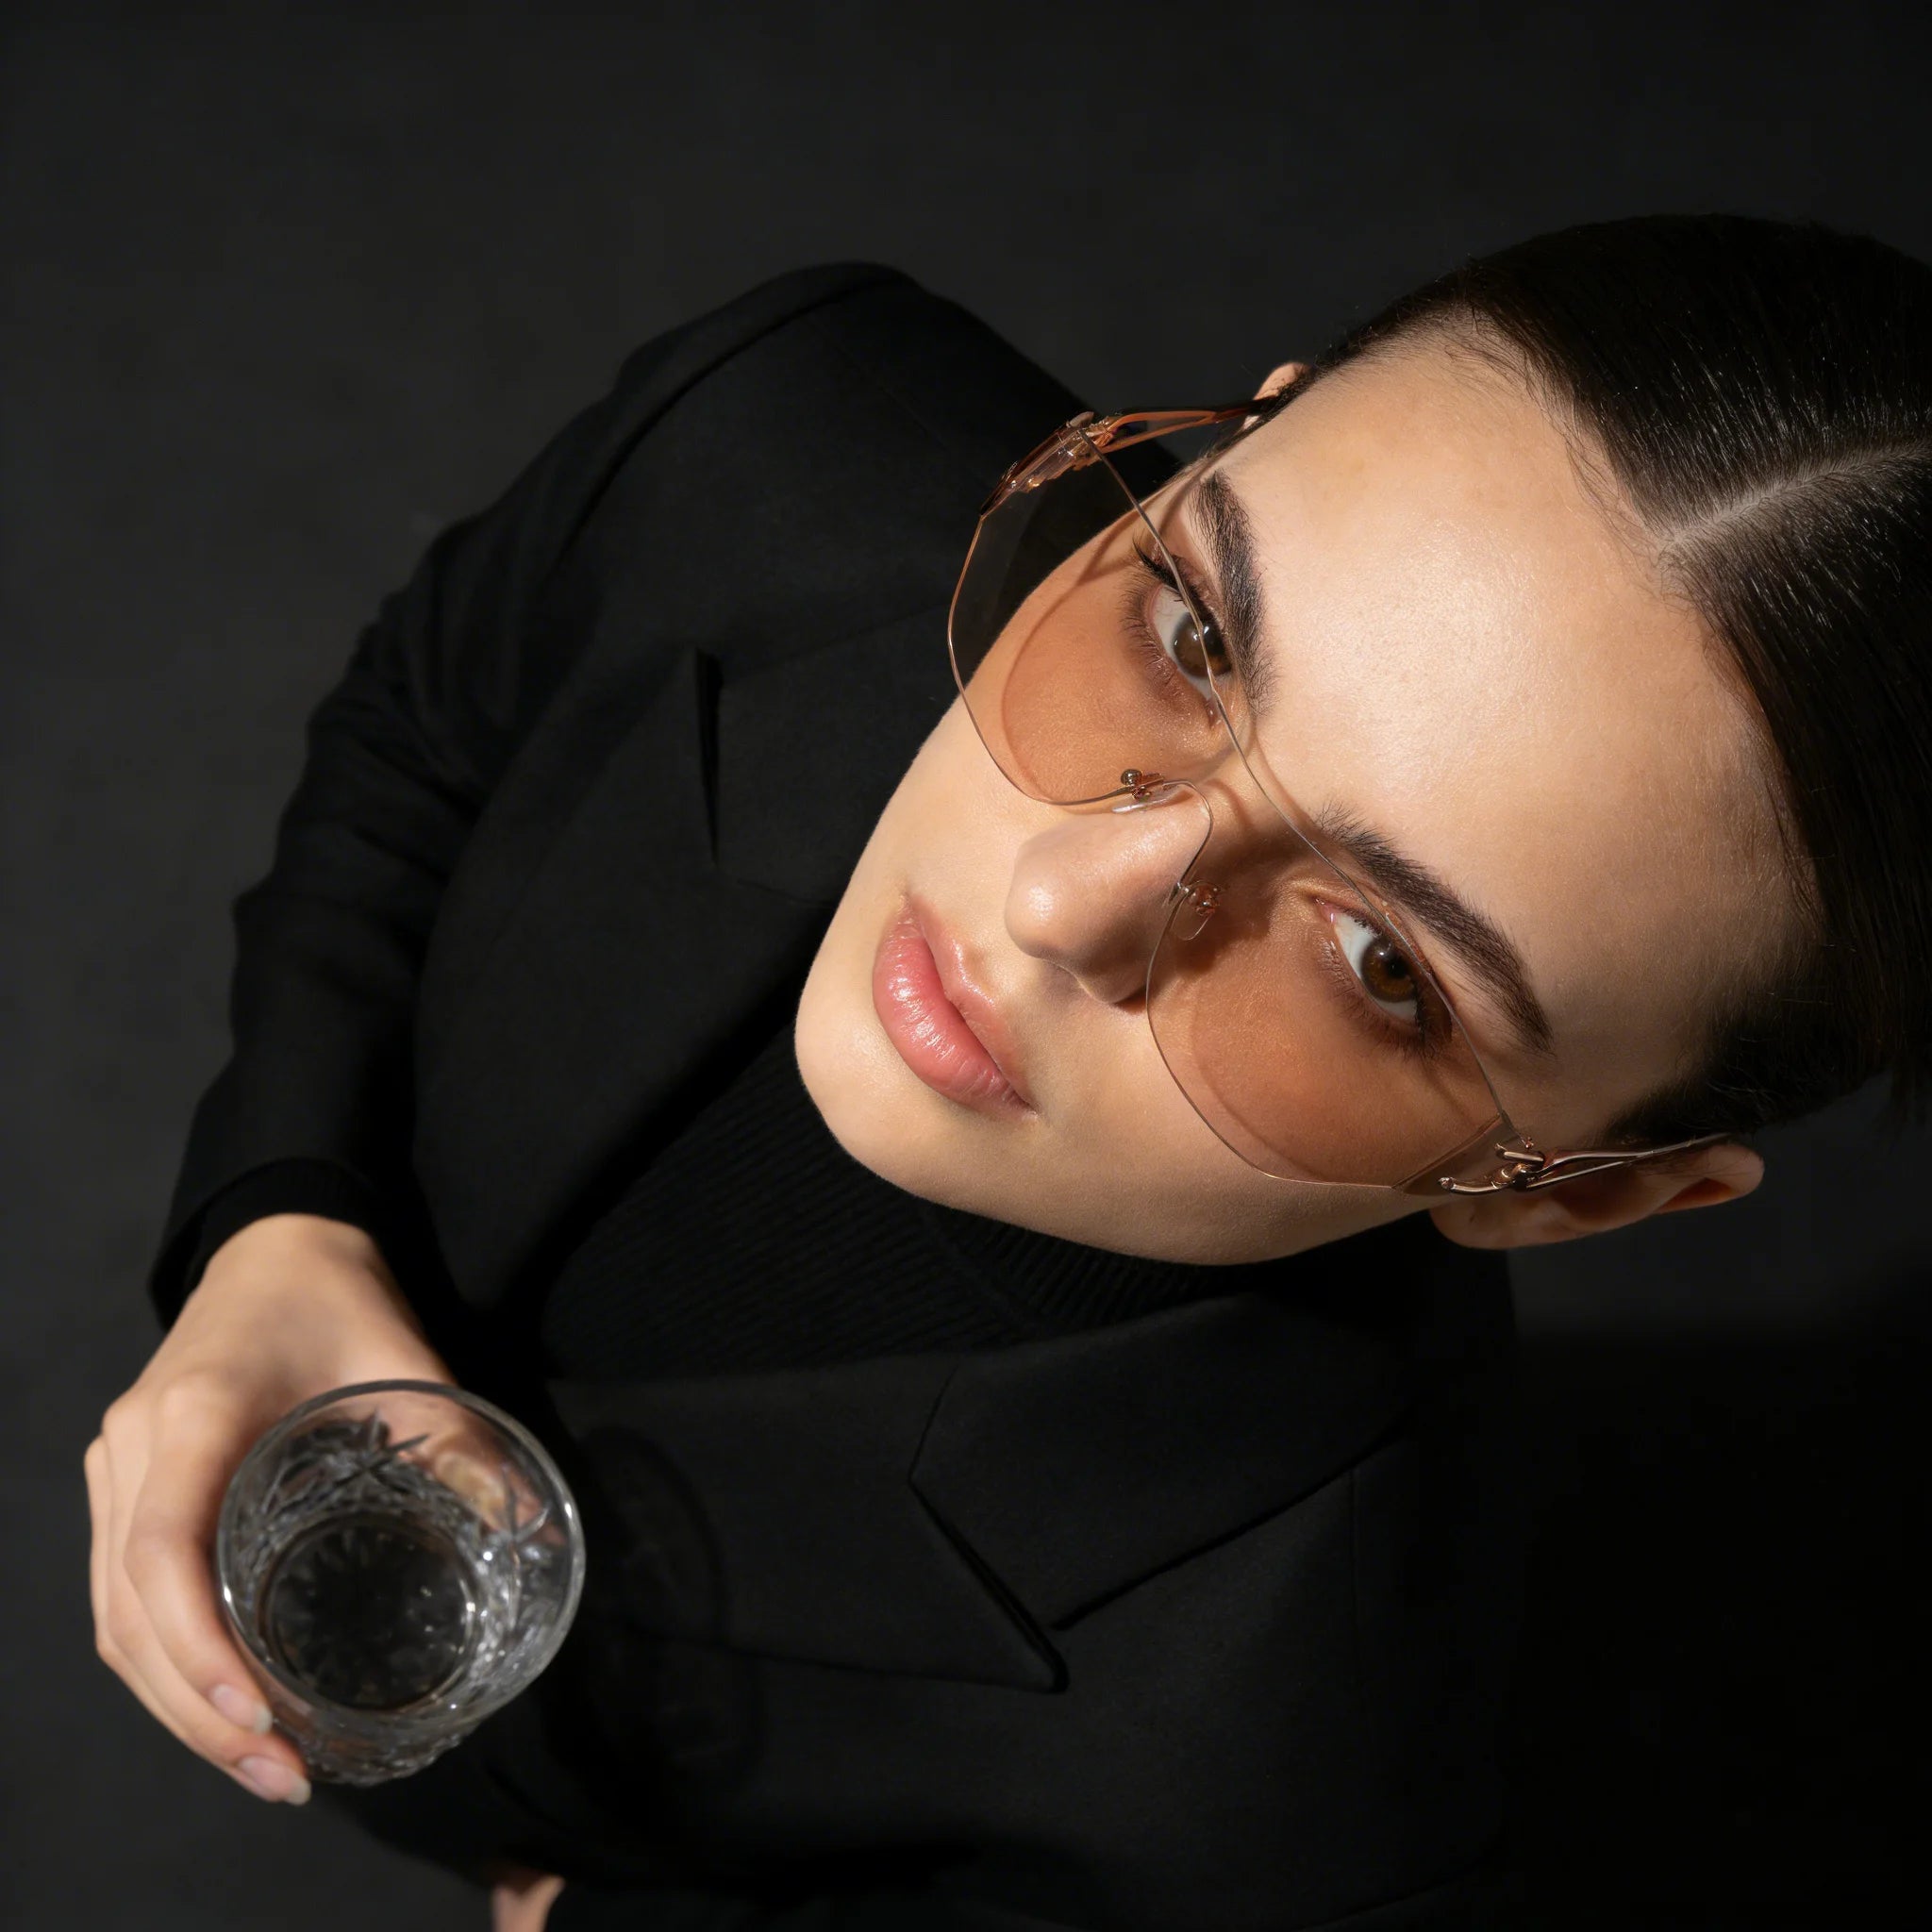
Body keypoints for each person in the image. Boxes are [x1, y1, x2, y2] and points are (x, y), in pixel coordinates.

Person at [85, 212, 1932, 1931]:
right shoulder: (773, 455)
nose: (1055, 895)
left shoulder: (1283, 1794)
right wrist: (284, 1212)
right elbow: (422, 733)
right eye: (1195, 634)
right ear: (1223, 452)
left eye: (1381, 964)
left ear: (1591, 1186)